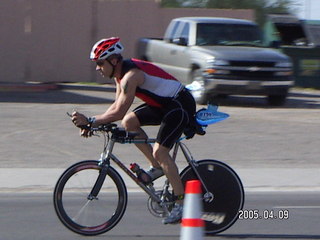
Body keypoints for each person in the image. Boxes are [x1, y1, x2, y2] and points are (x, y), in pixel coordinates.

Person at [71, 37, 196, 224]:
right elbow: (115, 108)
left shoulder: (131, 76)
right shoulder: (119, 76)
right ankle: (157, 167)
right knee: (129, 122)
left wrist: (90, 120)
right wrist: (93, 124)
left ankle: (181, 204)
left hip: (180, 105)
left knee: (161, 152)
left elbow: (119, 111)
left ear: (113, 61)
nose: (97, 68)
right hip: (165, 105)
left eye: (100, 63)